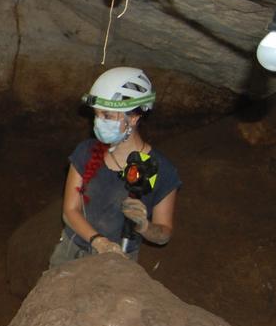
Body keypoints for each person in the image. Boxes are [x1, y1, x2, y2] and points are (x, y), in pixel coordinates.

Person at [49, 67, 181, 266]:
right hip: (71, 255)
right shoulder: (86, 152)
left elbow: (163, 234)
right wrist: (99, 242)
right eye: (97, 114)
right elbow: (70, 210)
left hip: (118, 263)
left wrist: (145, 227)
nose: (98, 122)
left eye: (108, 115)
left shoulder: (159, 168)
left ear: (134, 118)